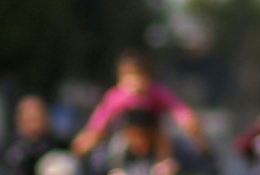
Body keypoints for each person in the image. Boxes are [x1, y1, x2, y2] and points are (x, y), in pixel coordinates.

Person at [69, 50, 210, 159]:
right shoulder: (116, 97)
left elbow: (179, 111)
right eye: (129, 77)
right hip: (126, 139)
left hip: (154, 137)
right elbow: (99, 122)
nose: (135, 83)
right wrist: (86, 141)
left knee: (166, 137)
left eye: (140, 76)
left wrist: (195, 133)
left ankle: (165, 163)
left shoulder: (156, 93)